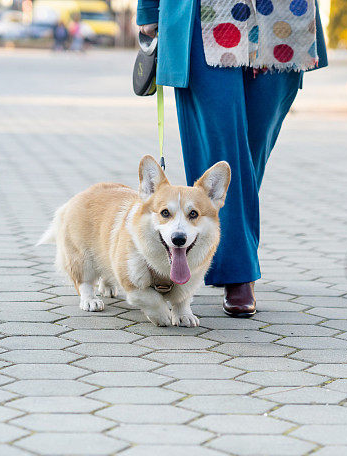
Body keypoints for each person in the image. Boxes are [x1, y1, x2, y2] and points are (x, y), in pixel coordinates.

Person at [136, 0, 328, 317]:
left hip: (283, 13)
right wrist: (148, 10)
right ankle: (238, 272)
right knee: (222, 149)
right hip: (206, 13)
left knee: (248, 156)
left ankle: (214, 252)